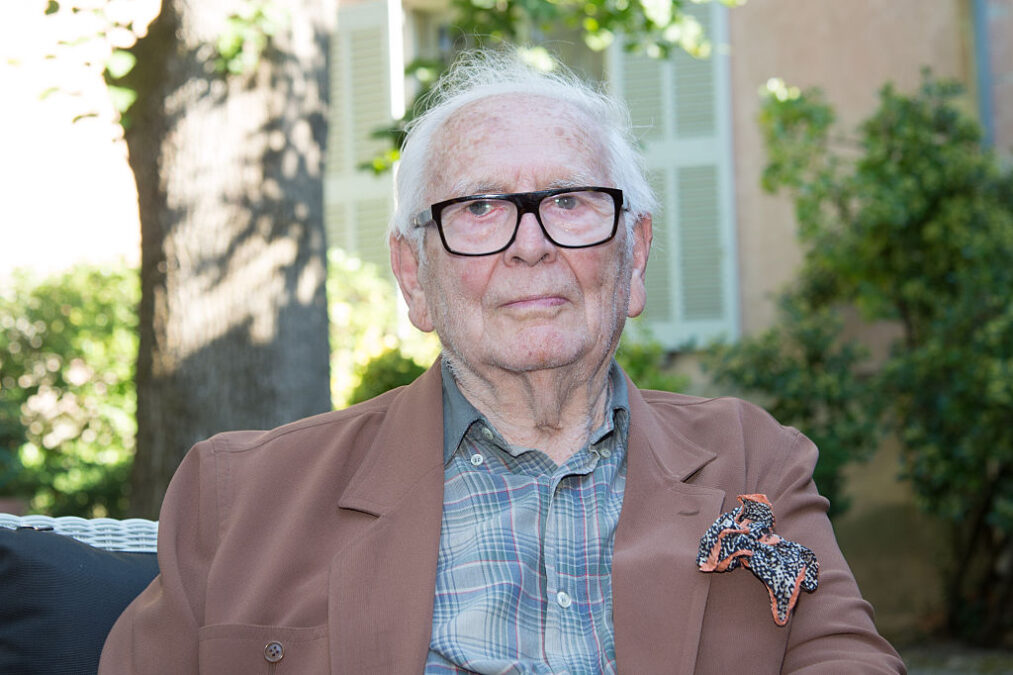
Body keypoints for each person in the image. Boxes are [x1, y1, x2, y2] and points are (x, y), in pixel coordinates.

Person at [100, 49, 905, 674]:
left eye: (569, 201)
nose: (531, 245)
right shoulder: (240, 496)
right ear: (415, 276)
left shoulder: (750, 457)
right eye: (479, 208)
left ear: (635, 255)